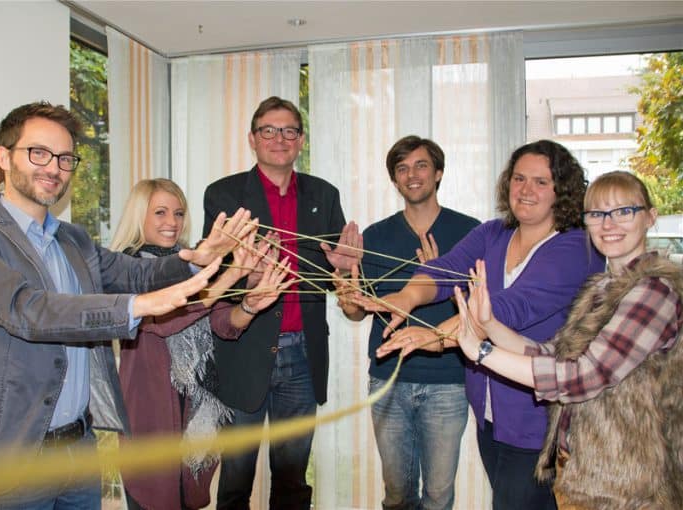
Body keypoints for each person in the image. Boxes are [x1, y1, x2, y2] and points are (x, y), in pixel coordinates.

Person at [0, 101, 255, 510]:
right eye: (38, 153)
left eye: (65, 158)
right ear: (3, 156)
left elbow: (135, 273)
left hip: (79, 450)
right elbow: (27, 310)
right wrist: (137, 306)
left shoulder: (74, 240)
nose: (54, 168)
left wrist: (195, 259)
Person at [367, 140, 605, 510]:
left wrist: (438, 336)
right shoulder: (494, 233)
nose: (526, 190)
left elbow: (511, 307)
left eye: (541, 182)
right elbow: (445, 269)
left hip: (537, 417)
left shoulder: (577, 247)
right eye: (519, 178)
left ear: (563, 190)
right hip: (491, 414)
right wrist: (407, 297)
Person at [452, 171, 683, 510]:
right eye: (597, 213)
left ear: (649, 217)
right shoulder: (602, 287)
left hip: (630, 485)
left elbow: (583, 375)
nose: (609, 224)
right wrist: (490, 325)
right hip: (584, 470)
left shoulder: (653, 292)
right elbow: (553, 353)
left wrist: (481, 352)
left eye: (624, 211)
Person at [202, 96, 362, 510]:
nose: (279, 139)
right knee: (236, 477)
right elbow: (210, 275)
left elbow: (333, 275)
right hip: (244, 350)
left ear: (301, 140)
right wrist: (246, 278)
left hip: (303, 355)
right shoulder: (223, 195)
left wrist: (344, 271)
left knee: (293, 479)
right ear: (252, 139)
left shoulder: (324, 194)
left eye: (289, 131)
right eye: (269, 131)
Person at [112, 178, 293, 510]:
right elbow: (166, 320)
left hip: (196, 405)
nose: (172, 222)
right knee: (154, 495)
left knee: (190, 497)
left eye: (179, 213)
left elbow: (224, 323)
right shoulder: (126, 269)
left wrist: (250, 303)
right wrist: (228, 275)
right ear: (139, 215)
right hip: (151, 409)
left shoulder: (193, 266)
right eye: (160, 212)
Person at [334, 136, 479, 510]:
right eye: (402, 168)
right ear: (394, 180)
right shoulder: (375, 235)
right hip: (388, 379)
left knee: (438, 496)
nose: (412, 175)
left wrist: (439, 278)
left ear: (438, 173)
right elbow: (359, 311)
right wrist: (347, 298)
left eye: (421, 165)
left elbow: (482, 312)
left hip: (448, 380)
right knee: (397, 494)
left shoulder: (471, 232)